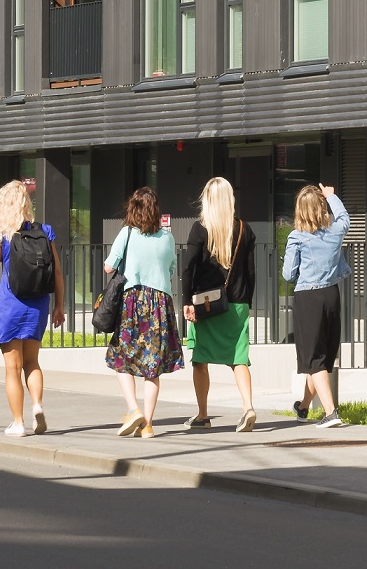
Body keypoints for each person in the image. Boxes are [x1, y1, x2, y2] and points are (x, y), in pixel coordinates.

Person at [0, 177, 64, 438]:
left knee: (12, 368)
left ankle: (18, 423)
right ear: (26, 203)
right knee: (32, 361)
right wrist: (59, 305)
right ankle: (37, 405)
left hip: (10, 305)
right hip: (38, 304)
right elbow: (57, 272)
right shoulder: (45, 231)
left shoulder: (1, 233)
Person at [178, 176, 258, 433]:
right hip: (238, 303)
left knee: (200, 360)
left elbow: (188, 268)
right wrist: (247, 302)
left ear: (207, 200)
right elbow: (251, 272)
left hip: (207, 305)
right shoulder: (244, 229)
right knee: (239, 359)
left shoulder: (200, 229)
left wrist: (186, 300)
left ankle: (203, 414)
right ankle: (248, 407)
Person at [103, 185, 182, 437]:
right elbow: (171, 270)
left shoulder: (127, 233)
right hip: (160, 304)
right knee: (153, 366)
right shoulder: (167, 238)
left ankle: (133, 409)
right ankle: (147, 424)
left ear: (132, 209)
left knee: (121, 358)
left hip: (132, 302)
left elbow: (108, 267)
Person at [283, 182, 350, 427]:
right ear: (322, 208)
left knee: (313, 358)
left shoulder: (297, 237)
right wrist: (332, 196)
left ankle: (331, 412)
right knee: (321, 358)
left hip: (308, 298)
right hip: (331, 295)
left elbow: (288, 274)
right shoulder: (335, 231)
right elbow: (344, 218)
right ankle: (303, 407)